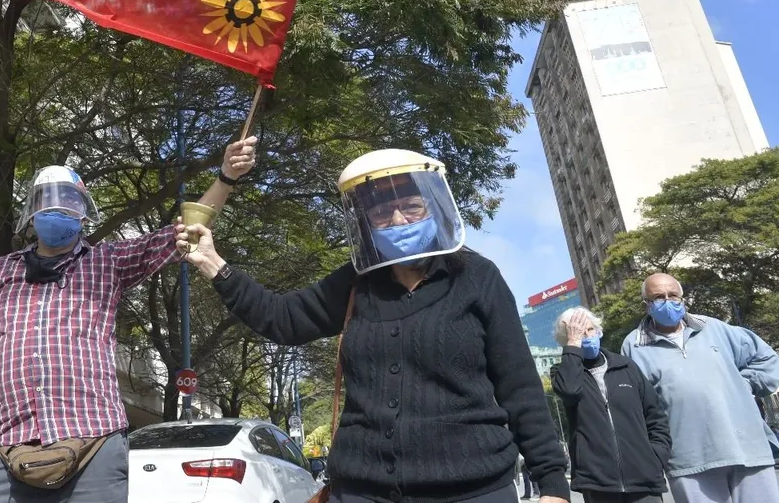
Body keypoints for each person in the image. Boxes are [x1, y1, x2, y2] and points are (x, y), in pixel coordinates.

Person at [178, 148, 571, 503]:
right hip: (362, 490)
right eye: (383, 213)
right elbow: (283, 320)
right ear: (366, 224)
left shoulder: (478, 277)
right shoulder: (355, 282)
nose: (398, 219)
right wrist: (215, 264)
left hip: (472, 489)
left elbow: (520, 387)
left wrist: (553, 483)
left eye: (412, 206)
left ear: (434, 208)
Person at [0, 137, 257, 503]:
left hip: (94, 442)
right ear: (32, 211)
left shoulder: (107, 262)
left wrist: (227, 177)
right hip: (0, 445)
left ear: (83, 212)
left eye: (69, 200)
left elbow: (187, 233)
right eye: (47, 200)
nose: (57, 208)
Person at [621, 272, 779, 503]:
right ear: (645, 305)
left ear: (683, 298)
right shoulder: (633, 346)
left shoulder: (714, 328)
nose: (668, 302)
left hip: (748, 449)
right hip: (688, 461)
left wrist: (745, 384)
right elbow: (636, 405)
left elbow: (768, 360)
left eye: (673, 295)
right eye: (658, 297)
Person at [551, 307, 670, 503]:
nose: (586, 336)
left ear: (599, 331)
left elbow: (655, 415)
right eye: (578, 333)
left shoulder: (626, 366)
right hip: (598, 484)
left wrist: (656, 457)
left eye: (589, 329)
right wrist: (573, 345)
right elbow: (569, 391)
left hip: (644, 480)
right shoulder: (562, 373)